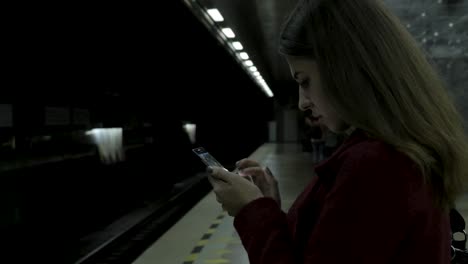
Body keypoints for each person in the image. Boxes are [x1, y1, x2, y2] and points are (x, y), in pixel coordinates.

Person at [206, 0, 468, 263]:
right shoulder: (394, 152)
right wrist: (269, 209)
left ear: (344, 69)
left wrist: (251, 211)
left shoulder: (376, 165)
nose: (302, 103)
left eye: (305, 81)